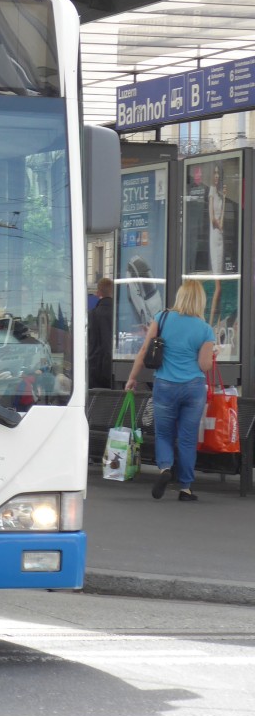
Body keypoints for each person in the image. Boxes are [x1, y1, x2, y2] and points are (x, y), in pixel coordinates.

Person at [125, 279, 216, 502]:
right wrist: (214, 355)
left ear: (180, 296)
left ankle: (165, 468)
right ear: (200, 301)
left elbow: (145, 350)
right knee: (187, 438)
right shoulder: (205, 329)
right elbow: (204, 366)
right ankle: (185, 488)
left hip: (164, 385)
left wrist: (132, 378)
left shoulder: (162, 318)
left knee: (164, 433)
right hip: (193, 388)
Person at [87, 277, 114, 388]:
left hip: (95, 367)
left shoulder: (92, 314)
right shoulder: (118, 313)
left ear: (98, 293)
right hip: (113, 368)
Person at [208, 163, 225, 326]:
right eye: (214, 173)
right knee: (218, 286)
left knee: (220, 287)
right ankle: (211, 322)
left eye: (218, 173)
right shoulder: (212, 191)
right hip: (216, 236)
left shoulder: (219, 193)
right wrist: (220, 225)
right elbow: (212, 217)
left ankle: (217, 321)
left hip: (219, 237)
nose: (217, 176)